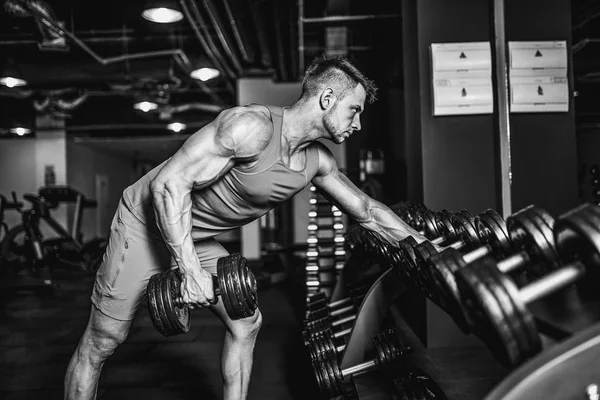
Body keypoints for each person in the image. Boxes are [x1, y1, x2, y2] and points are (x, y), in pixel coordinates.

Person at [63, 54, 431, 400]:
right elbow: (168, 185)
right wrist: (190, 270)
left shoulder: (316, 162)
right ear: (328, 98)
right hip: (144, 225)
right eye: (355, 110)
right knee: (103, 341)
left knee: (246, 324)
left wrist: (426, 246)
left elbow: (366, 210)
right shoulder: (249, 127)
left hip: (196, 234)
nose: (358, 123)